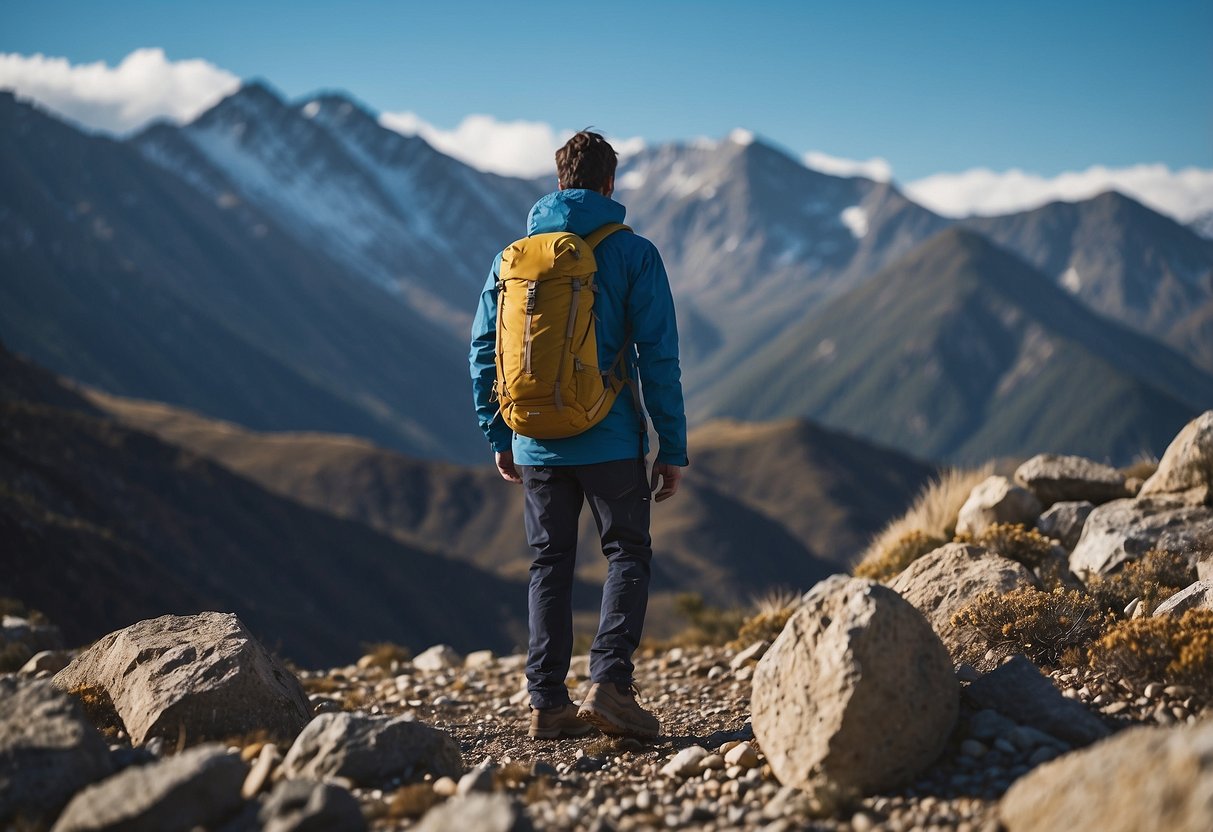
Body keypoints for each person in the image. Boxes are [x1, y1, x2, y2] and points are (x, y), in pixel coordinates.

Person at [469, 130, 688, 739]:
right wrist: (671, 445)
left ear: (559, 180)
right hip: (610, 437)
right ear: (609, 183)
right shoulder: (633, 252)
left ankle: (546, 702)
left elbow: (484, 351)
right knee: (626, 552)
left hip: (534, 437)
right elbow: (658, 357)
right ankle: (611, 687)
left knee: (549, 563)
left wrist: (500, 431)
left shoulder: (511, 257)